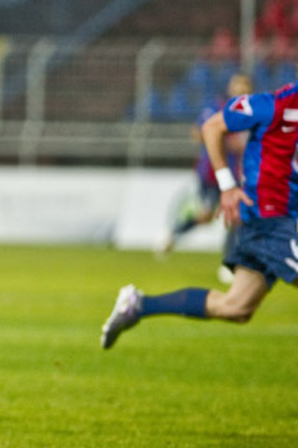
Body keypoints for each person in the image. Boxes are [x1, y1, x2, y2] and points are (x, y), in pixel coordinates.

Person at [102, 78, 298, 349]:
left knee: (236, 306)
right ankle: (173, 234)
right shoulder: (274, 104)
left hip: (282, 220)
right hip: (270, 220)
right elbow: (211, 126)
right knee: (206, 214)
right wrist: (227, 185)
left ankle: (138, 305)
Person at [159, 74, 253, 285]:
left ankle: (228, 263)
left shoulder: (252, 114)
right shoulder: (217, 107)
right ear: (231, 87)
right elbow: (197, 132)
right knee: (206, 216)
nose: (241, 89)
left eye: (245, 86)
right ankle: (175, 232)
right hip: (212, 173)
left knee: (236, 216)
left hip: (235, 175)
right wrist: (223, 139)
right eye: (238, 85)